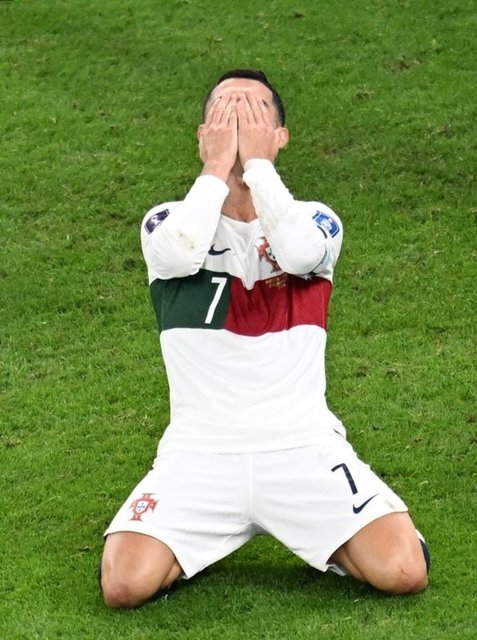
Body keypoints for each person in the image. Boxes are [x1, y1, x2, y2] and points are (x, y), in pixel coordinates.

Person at [100, 69, 430, 609]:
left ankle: (328, 530)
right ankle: (206, 538)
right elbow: (180, 251)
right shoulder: (165, 221)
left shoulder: (315, 220)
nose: (237, 125)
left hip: (303, 447)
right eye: (225, 113)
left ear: (279, 137)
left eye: (252, 115)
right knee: (124, 586)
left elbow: (298, 254)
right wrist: (215, 169)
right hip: (199, 454)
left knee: (402, 571)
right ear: (204, 134)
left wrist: (257, 168)